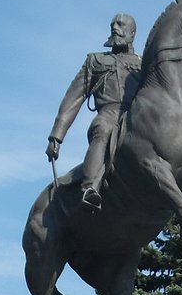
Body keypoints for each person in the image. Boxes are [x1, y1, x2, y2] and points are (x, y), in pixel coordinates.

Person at [45, 13, 142, 210]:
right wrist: (56, 137)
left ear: (132, 33)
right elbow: (73, 99)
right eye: (113, 24)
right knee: (104, 128)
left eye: (121, 25)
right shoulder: (95, 61)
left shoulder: (143, 64)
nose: (115, 28)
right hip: (108, 113)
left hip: (137, 117)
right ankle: (89, 188)